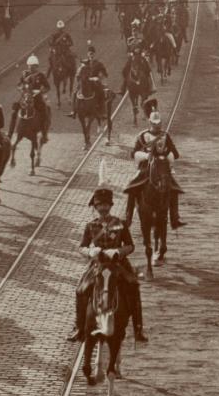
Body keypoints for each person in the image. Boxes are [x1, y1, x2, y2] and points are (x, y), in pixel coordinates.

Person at [72, 187, 144, 342]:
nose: (103, 208)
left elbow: (131, 245)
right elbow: (81, 247)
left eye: (106, 205)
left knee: (133, 286)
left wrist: (118, 251)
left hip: (118, 264)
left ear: (110, 206)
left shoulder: (120, 224)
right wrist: (90, 252)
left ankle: (138, 328)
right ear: (96, 207)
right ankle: (79, 327)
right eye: (100, 205)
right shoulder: (91, 226)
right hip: (98, 265)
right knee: (80, 290)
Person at [129, 111, 186, 229]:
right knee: (132, 187)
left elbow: (176, 154)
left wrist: (164, 155)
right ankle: (128, 218)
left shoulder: (165, 136)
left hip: (162, 169)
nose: (157, 126)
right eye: (154, 123)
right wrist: (145, 156)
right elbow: (133, 153)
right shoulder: (142, 136)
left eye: (159, 123)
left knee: (174, 189)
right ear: (150, 122)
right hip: (145, 168)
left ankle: (175, 218)